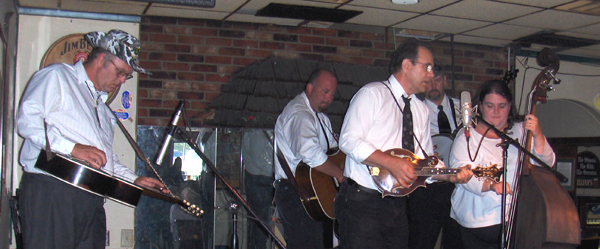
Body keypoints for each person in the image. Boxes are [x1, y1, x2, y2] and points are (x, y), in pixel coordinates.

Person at [17, 29, 167, 249]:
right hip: (53, 192)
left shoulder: (105, 113)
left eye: (127, 76)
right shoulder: (57, 76)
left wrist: (133, 180)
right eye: (120, 72)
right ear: (100, 59)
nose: (123, 80)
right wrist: (73, 148)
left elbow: (105, 159)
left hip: (90, 197)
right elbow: (27, 121)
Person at [335, 39, 473, 249]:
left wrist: (450, 175)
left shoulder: (420, 109)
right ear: (407, 66)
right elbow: (348, 139)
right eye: (427, 67)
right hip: (363, 201)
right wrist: (391, 163)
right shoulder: (373, 94)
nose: (431, 73)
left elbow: (424, 162)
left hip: (399, 204)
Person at [449, 79, 555, 249]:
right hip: (475, 221)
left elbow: (547, 163)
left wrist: (537, 134)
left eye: (502, 106)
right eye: (490, 106)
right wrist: (490, 185)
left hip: (513, 219)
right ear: (480, 106)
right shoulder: (467, 136)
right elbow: (462, 175)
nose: (496, 112)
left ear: (510, 107)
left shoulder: (521, 132)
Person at [273, 68, 345, 249]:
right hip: (296, 193)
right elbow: (310, 153)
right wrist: (339, 174)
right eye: (325, 92)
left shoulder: (319, 117)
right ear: (310, 88)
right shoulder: (299, 114)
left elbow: (333, 151)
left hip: (314, 193)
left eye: (332, 94)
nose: (329, 99)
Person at [408, 61, 463, 249]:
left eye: (437, 81)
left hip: (456, 184)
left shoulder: (462, 109)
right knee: (422, 239)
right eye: (429, 82)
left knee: (455, 239)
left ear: (445, 80)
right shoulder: (415, 111)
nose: (433, 86)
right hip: (426, 186)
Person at [242, 128, 275, 249]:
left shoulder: (254, 132)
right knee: (261, 224)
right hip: (261, 181)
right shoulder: (258, 133)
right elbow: (259, 160)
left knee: (258, 224)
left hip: (259, 179)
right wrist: (278, 172)